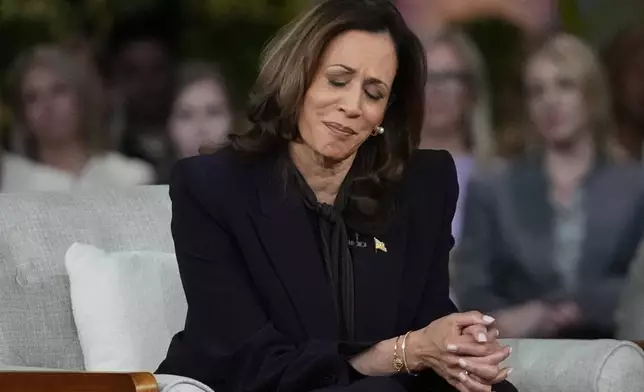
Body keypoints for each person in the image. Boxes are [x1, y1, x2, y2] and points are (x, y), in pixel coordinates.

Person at [157, 1, 516, 392]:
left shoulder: (421, 188)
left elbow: (426, 322)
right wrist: (402, 352)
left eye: (374, 93)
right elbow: (248, 360)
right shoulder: (213, 188)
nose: (352, 107)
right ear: (297, 76)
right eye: (337, 80)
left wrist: (457, 347)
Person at [453, 33, 644, 339]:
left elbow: (639, 283)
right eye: (537, 91)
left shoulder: (635, 185)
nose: (550, 102)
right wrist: (512, 318)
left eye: (565, 86)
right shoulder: (494, 189)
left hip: (617, 349)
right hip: (521, 354)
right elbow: (473, 285)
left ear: (592, 95)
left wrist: (574, 307)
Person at [6, 45, 154, 191]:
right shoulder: (10, 183)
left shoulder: (132, 177)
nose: (47, 105)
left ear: (82, 98)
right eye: (32, 98)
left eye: (59, 91)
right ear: (22, 114)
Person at [419, 29, 495, 245]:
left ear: (471, 90)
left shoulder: (496, 177)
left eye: (449, 77)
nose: (437, 89)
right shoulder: (379, 177)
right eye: (427, 77)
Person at [158, 61, 235, 183]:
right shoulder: (146, 195)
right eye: (186, 116)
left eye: (213, 112)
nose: (201, 128)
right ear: (169, 126)